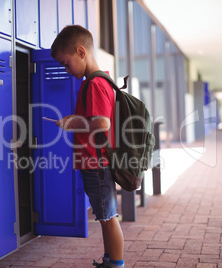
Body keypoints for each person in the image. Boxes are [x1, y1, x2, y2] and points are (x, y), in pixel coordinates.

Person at [51, 25, 125, 268]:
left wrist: (71, 122)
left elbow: (101, 123)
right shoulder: (99, 80)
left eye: (66, 63)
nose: (65, 69)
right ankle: (109, 260)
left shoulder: (93, 84)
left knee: (109, 217)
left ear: (81, 52)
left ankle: (116, 264)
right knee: (104, 216)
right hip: (96, 162)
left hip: (97, 163)